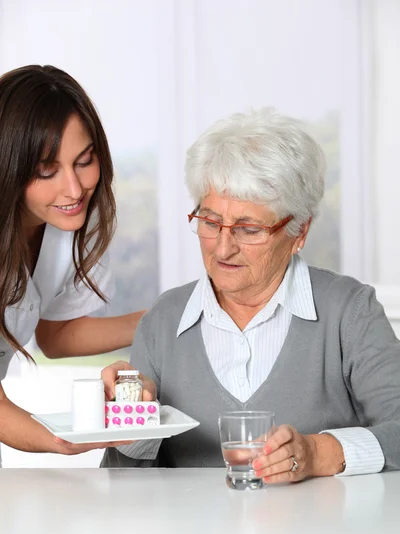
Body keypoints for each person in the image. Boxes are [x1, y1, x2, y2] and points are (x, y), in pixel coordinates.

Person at [101, 107, 400, 483]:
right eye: (210, 222)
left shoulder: (350, 312)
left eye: (249, 228)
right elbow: (123, 483)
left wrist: (316, 453)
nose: (223, 248)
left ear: (300, 231)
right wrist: (131, 418)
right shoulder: (162, 322)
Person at [0, 64, 155, 464]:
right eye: (46, 171)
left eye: (84, 161)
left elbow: (55, 334)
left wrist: (163, 320)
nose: (74, 188)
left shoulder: (74, 216)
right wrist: (59, 440)